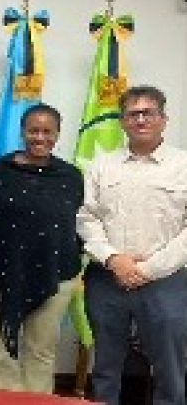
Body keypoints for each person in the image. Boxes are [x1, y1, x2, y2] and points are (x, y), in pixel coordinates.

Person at [78, 85, 187, 405]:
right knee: (106, 368)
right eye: (132, 114)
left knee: (170, 367)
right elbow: (86, 218)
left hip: (166, 281)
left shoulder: (183, 165)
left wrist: (149, 269)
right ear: (122, 122)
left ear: (163, 119)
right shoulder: (101, 165)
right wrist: (114, 260)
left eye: (148, 113)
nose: (140, 120)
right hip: (108, 279)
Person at [0, 103, 83, 393]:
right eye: (33, 130)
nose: (40, 137)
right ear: (22, 132)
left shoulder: (71, 176)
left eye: (48, 131)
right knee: (1, 354)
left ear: (58, 134)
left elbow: (79, 224)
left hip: (55, 274)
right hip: (4, 272)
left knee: (41, 353)